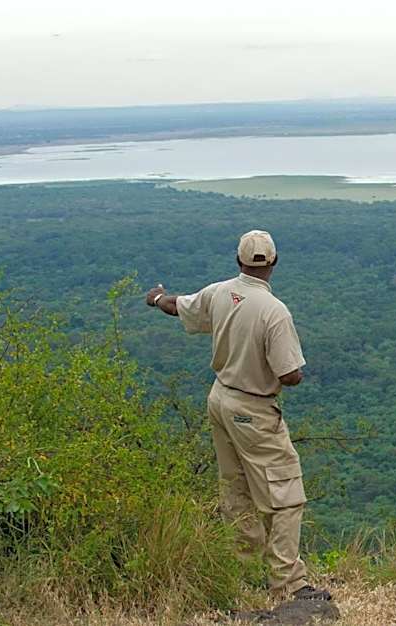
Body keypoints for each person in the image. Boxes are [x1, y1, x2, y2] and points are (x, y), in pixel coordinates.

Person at [145, 230, 331, 602]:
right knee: (285, 494)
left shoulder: (219, 293)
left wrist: (156, 298)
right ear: (274, 262)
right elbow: (289, 375)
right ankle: (288, 582)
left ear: (238, 260)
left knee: (235, 488)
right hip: (253, 408)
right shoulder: (274, 311)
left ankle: (243, 571)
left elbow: (178, 306)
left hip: (221, 398)